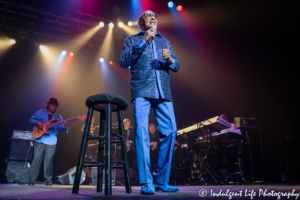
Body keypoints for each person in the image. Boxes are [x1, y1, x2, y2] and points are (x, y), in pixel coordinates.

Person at [119, 10, 180, 194]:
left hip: (163, 90)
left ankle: (161, 180)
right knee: (141, 133)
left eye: (154, 16)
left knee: (170, 130)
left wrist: (170, 59)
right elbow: (123, 61)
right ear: (141, 22)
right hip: (141, 90)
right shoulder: (131, 39)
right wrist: (144, 40)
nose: (153, 17)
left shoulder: (164, 40)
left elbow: (176, 65)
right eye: (148, 15)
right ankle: (146, 182)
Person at [28, 98, 69, 186]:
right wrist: (37, 122)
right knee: (36, 160)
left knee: (49, 161)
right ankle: (31, 179)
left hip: (51, 141)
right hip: (39, 139)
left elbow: (61, 129)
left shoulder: (59, 117)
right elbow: (30, 121)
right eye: (53, 105)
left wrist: (66, 126)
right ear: (48, 105)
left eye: (56, 106)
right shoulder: (39, 113)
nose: (54, 107)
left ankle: (48, 180)